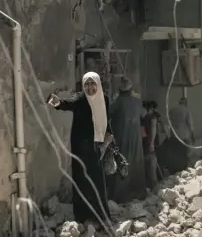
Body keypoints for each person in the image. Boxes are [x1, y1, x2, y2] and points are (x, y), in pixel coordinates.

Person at [48, 72, 113, 224]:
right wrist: (58, 103)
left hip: (97, 146)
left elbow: (106, 119)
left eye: (92, 84)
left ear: (98, 84)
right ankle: (82, 217)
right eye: (87, 84)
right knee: (80, 180)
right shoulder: (80, 99)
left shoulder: (105, 99)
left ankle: (102, 217)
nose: (90, 87)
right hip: (80, 148)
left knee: (98, 182)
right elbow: (68, 103)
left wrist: (108, 138)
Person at [109, 77, 147, 202]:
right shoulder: (136, 101)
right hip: (135, 139)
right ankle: (138, 192)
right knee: (136, 163)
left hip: (121, 138)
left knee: (121, 163)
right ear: (131, 90)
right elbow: (144, 114)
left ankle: (121, 196)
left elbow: (107, 114)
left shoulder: (117, 102)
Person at [143, 101, 160, 189]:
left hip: (148, 142)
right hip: (149, 142)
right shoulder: (150, 117)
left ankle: (153, 184)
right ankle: (153, 184)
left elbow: (151, 130)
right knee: (151, 162)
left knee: (150, 162)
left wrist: (151, 142)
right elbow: (152, 129)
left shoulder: (148, 117)